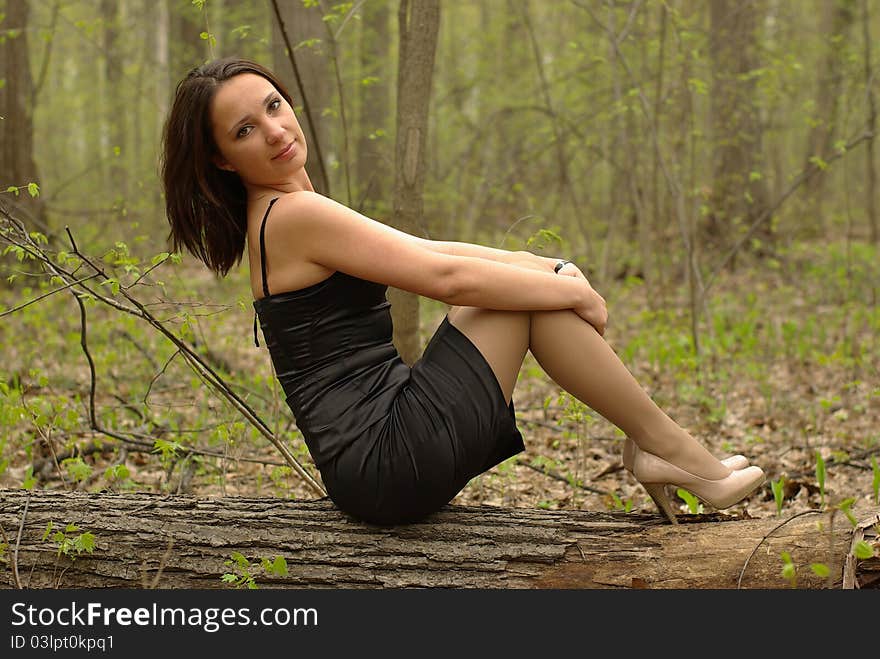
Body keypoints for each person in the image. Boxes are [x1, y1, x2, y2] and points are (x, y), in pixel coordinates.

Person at [160, 56, 765, 526]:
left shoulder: (293, 209)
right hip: (384, 459)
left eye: (273, 106)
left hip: (376, 457)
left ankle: (664, 448)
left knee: (526, 290)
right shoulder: (293, 218)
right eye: (245, 129)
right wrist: (568, 293)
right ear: (221, 161)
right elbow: (445, 279)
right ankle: (669, 449)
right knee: (515, 302)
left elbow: (427, 249)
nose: (274, 130)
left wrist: (546, 265)